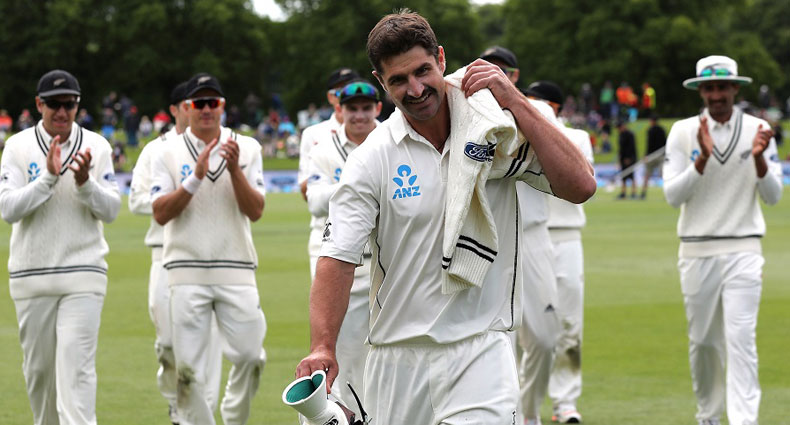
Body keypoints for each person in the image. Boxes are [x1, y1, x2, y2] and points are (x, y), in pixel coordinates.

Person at [295, 10, 595, 424]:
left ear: (440, 58)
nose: (416, 89)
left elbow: (581, 186)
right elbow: (338, 257)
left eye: (422, 71)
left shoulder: (491, 125)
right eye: (399, 80)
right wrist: (322, 346)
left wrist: (515, 101)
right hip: (397, 358)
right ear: (382, 82)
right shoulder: (372, 158)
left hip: (481, 349)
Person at [664, 55, 782, 425]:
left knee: (741, 339)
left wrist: (760, 160)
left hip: (744, 247)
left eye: (722, 87)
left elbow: (773, 196)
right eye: (709, 88)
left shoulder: (759, 129)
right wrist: (701, 160)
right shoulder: (683, 131)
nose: (716, 95)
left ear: (735, 88)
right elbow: (672, 196)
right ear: (701, 91)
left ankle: (744, 420)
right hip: (696, 249)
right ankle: (709, 415)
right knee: (703, 342)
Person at [0, 69, 121, 424]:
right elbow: (8, 209)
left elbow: (111, 210)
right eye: (54, 104)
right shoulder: (18, 146)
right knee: (40, 378)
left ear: (78, 105)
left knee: (76, 374)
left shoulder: (97, 146)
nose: (62, 112)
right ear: (39, 104)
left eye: (69, 104)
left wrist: (85, 184)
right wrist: (48, 178)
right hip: (31, 277)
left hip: (84, 273)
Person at [151, 73, 267, 425]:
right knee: (188, 371)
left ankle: (233, 418)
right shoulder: (165, 151)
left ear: (222, 106)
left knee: (251, 357)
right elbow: (160, 213)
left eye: (212, 102)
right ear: (186, 108)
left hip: (236, 267)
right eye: (198, 103)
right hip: (186, 271)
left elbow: (256, 211)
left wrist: (234, 170)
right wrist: (194, 178)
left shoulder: (247, 148)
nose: (206, 109)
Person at [128, 81, 223, 424]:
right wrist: (178, 196)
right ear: (176, 110)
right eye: (189, 103)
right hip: (165, 255)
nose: (198, 109)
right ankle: (176, 403)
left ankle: (199, 415)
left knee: (208, 346)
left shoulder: (223, 146)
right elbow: (137, 200)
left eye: (206, 102)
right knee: (168, 344)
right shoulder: (157, 150)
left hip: (211, 257)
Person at [481, 46, 560, 425]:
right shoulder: (468, 112)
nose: (495, 76)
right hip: (489, 241)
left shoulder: (539, 110)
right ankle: (508, 417)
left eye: (504, 71)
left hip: (533, 237)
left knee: (545, 339)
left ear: (514, 76)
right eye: (489, 68)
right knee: (498, 342)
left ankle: (529, 413)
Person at [304, 79, 382, 420]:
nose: (360, 115)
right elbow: (315, 200)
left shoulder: (390, 140)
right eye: (353, 109)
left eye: (366, 108)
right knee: (346, 359)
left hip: (387, 266)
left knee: (387, 356)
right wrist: (362, 185)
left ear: (378, 108)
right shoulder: (324, 149)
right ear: (341, 110)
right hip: (343, 265)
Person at [524, 81, 595, 424]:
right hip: (526, 238)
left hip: (566, 237)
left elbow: (580, 180)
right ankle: (523, 407)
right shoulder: (515, 134)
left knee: (568, 322)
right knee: (528, 330)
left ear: (554, 107)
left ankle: (565, 401)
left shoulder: (576, 138)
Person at [298, 67, 360, 280]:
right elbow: (306, 191)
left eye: (350, 89)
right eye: (338, 92)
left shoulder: (380, 129)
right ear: (330, 97)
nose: (345, 96)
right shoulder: (314, 134)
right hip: (325, 231)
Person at [641, 114, 666, 199]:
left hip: (655, 156)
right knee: (661, 175)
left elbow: (649, 144)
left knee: (649, 175)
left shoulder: (651, 130)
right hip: (659, 155)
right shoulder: (661, 130)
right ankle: (643, 192)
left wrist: (646, 155)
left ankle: (643, 193)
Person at [617, 121, 637, 199]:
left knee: (632, 176)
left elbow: (632, 147)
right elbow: (621, 149)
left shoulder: (630, 134)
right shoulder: (621, 135)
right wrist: (620, 159)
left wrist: (629, 158)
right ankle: (623, 192)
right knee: (623, 177)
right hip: (623, 159)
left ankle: (633, 192)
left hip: (630, 158)